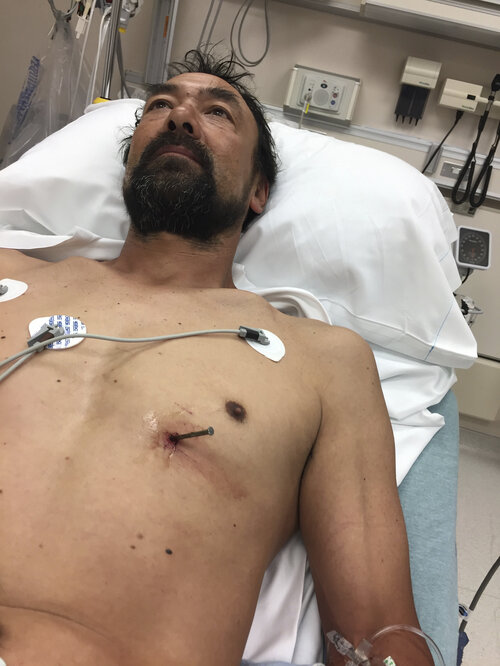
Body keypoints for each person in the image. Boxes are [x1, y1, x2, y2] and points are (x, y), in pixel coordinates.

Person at [0, 49, 433, 666]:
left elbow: (379, 630)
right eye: (160, 106)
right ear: (128, 166)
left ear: (258, 190)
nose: (180, 118)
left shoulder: (325, 362)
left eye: (217, 113)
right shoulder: (8, 274)